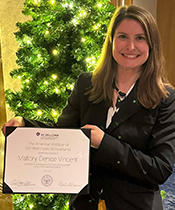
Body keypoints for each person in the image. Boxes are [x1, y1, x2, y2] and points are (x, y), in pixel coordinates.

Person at [2, 5, 175, 210]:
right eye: (122, 36)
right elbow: (64, 134)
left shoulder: (165, 98)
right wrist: (26, 126)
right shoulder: (87, 84)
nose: (130, 46)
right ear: (111, 40)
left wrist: (104, 144)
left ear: (152, 44)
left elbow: (159, 169)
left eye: (140, 38)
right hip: (85, 204)